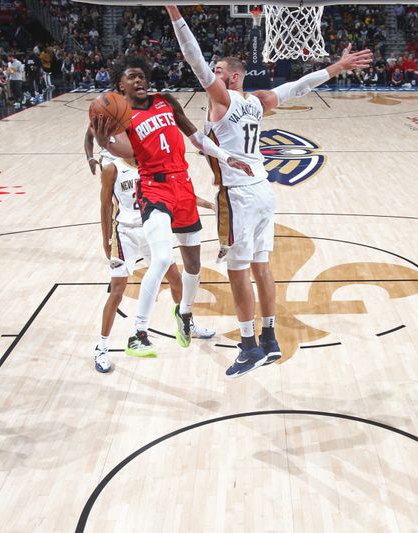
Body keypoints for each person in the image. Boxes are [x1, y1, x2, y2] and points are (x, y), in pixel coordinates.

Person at [166, 5, 372, 377]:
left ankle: (249, 347)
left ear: (231, 78)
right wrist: (336, 68)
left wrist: (173, 11)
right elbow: (298, 87)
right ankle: (271, 339)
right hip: (264, 190)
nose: (211, 76)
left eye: (218, 72)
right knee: (262, 266)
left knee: (237, 271)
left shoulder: (224, 100)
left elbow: (192, 58)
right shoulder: (258, 101)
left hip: (239, 195)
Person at [91, 55, 252, 358]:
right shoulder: (121, 118)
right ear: (119, 85)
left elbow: (196, 137)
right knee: (163, 258)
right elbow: (130, 154)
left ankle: (186, 314)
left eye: (142, 75)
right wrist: (104, 141)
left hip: (183, 185)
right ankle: (139, 333)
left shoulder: (166, 101)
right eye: (131, 77)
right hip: (154, 188)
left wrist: (225, 156)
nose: (139, 81)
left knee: (193, 266)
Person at [93, 149, 215, 372]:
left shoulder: (153, 164)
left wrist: (211, 206)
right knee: (117, 291)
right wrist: (106, 238)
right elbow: (105, 205)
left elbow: (181, 194)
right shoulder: (112, 168)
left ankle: (187, 322)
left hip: (151, 229)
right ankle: (102, 347)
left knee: (176, 280)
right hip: (126, 234)